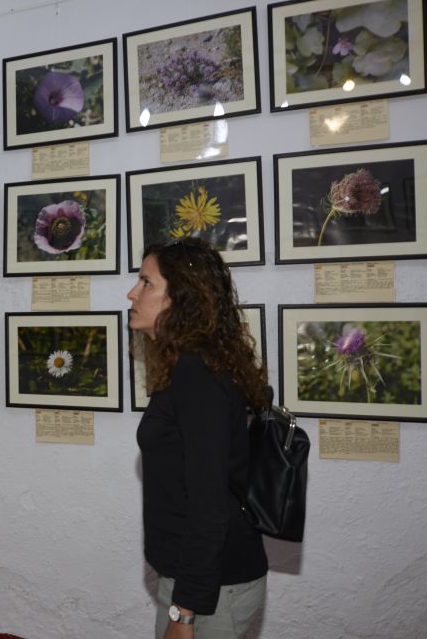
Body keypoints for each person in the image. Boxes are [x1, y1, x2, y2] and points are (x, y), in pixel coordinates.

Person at [127, 238, 269, 639]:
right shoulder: (190, 367)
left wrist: (185, 613)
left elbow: (209, 502)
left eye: (146, 283)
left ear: (180, 298)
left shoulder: (196, 375)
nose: (132, 293)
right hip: (201, 582)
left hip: (210, 593)